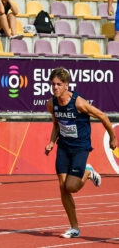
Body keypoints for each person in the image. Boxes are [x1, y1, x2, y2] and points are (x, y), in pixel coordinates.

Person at [45, 67, 117, 238]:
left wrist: (113, 138)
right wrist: (51, 141)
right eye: (53, 84)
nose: (55, 88)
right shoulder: (51, 104)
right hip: (63, 146)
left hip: (80, 147)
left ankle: (88, 171)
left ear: (66, 85)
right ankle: (74, 228)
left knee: (71, 187)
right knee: (63, 188)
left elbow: (103, 116)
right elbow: (56, 124)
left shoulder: (78, 103)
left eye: (58, 84)